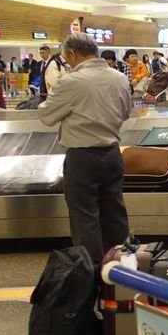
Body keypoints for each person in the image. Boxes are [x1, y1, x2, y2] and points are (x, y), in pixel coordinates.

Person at [38, 33, 132, 263]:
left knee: (85, 219)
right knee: (115, 215)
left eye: (66, 57)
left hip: (82, 157)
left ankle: (91, 275)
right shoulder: (119, 78)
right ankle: (124, 270)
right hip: (112, 153)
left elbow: (47, 116)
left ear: (73, 53)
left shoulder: (71, 81)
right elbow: (126, 112)